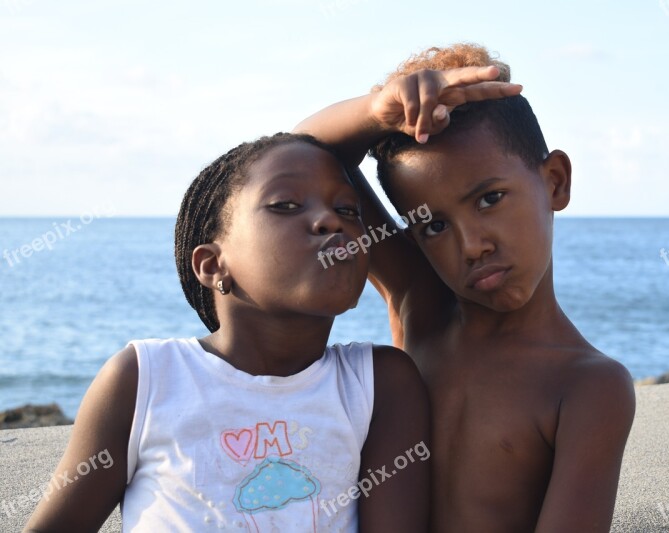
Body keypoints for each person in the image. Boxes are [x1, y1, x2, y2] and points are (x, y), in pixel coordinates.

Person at [295, 44, 636, 532]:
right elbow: (303, 156)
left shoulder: (587, 387)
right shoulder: (420, 303)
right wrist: (378, 111)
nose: (471, 246)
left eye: (490, 198)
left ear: (555, 182)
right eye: (433, 227)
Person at [24, 133, 430, 532]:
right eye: (286, 205)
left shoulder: (379, 384)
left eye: (348, 210)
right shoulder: (145, 379)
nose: (330, 221)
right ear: (212, 265)